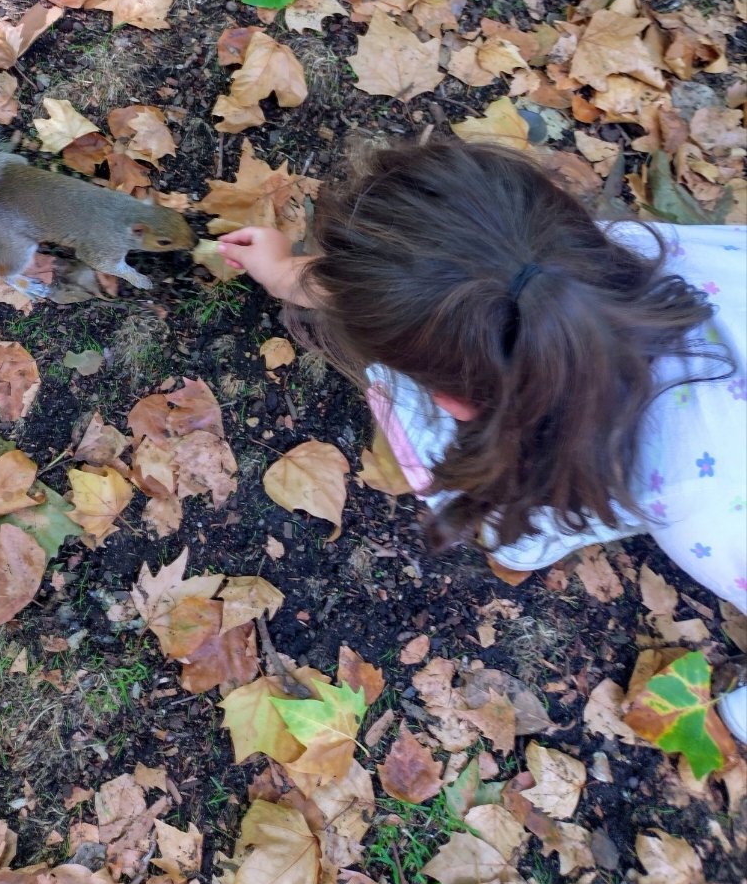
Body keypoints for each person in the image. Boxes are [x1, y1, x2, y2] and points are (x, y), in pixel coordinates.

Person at [217, 139, 747, 743]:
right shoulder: (573, 261)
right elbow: (434, 292)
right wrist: (289, 274)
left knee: (535, 504)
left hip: (676, 473)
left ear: (459, 405)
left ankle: (526, 541)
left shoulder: (711, 514)